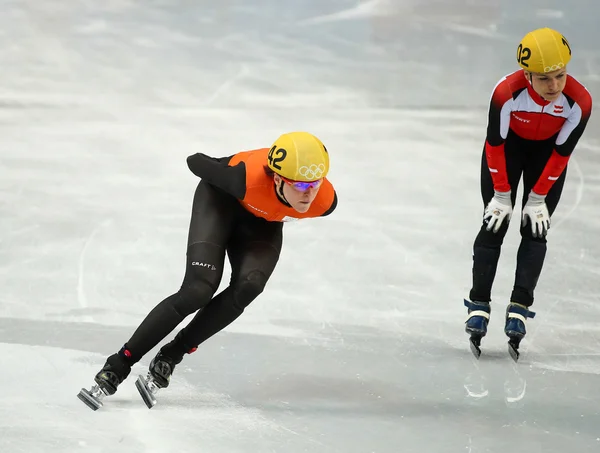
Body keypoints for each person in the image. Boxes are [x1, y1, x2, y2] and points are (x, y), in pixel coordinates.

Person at [79, 131, 338, 409]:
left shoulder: (324, 202)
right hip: (221, 202)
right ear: (276, 178)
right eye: (300, 185)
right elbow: (196, 162)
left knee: (250, 285)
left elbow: (306, 194)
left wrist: (296, 192)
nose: (309, 193)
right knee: (198, 290)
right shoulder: (243, 177)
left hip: (262, 222)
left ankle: (171, 355)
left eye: (315, 182)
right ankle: (118, 364)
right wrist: (227, 169)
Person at [463, 27, 593, 359]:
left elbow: (562, 154)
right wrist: (502, 195)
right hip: (508, 151)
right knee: (495, 222)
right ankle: (479, 301)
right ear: (526, 74)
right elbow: (494, 145)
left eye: (560, 76)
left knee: (535, 229)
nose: (554, 86)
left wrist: (537, 199)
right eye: (545, 79)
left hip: (546, 156)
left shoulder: (579, 101)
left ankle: (520, 304)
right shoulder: (506, 93)